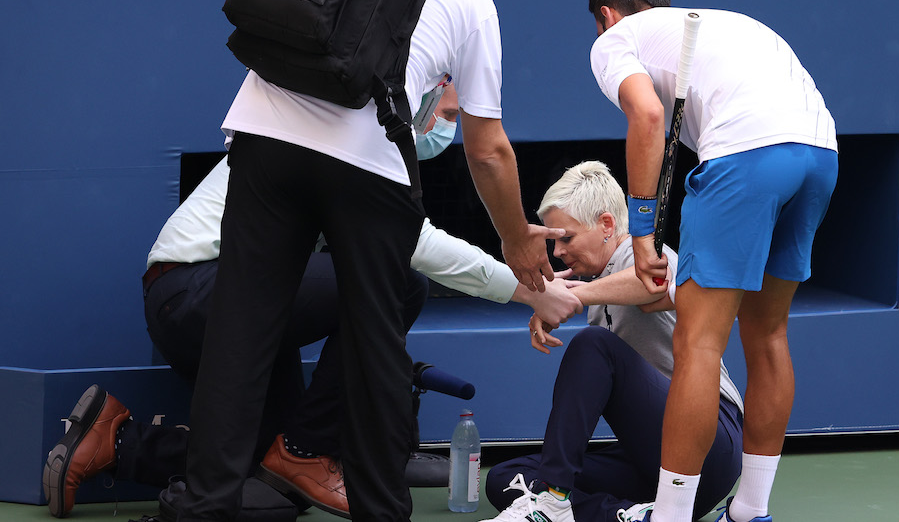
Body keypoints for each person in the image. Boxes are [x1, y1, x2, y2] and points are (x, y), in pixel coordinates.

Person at [41, 85, 583, 518]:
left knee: (262, 477)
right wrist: (531, 290)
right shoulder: (358, 137)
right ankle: (305, 451)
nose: (449, 126)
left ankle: (115, 440)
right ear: (424, 88)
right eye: (449, 110)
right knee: (398, 280)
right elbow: (412, 245)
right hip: (194, 289)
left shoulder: (373, 146)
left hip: (238, 305)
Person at [179, 0, 565, 511]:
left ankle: (205, 507)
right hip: (369, 160)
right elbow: (487, 151)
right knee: (374, 351)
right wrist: (514, 239)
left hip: (264, 136)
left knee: (239, 337)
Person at [586, 0, 839, 522]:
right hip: (820, 153)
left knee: (699, 344)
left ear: (607, 16)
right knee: (769, 333)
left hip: (747, 155)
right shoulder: (728, 24)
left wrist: (644, 231)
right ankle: (751, 511)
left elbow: (648, 116)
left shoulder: (614, 41)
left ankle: (671, 516)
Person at [481, 161, 744, 522]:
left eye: (566, 238)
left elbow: (659, 285)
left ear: (606, 225)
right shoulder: (603, 280)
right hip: (654, 463)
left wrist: (575, 295)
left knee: (593, 345)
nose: (557, 251)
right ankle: (630, 515)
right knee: (507, 481)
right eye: (554, 241)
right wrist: (572, 294)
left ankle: (553, 499)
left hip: (711, 445)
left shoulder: (643, 252)